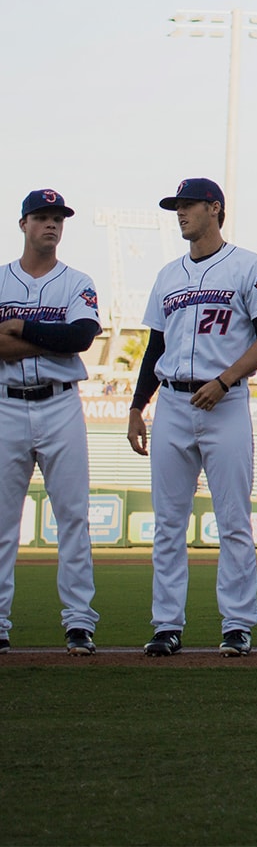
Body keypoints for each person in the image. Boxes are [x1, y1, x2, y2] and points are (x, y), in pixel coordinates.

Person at [128, 178, 257, 658]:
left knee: (233, 519)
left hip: (225, 404)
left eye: (188, 205)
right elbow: (157, 346)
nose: (180, 213)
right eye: (177, 207)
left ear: (215, 209)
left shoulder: (248, 265)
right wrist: (137, 405)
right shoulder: (167, 275)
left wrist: (227, 380)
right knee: (168, 523)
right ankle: (167, 624)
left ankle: (237, 624)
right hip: (172, 402)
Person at [0, 190, 101, 656]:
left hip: (60, 405)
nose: (51, 225)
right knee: (2, 522)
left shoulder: (77, 281)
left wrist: (19, 330)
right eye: (42, 217)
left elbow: (80, 336)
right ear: (23, 224)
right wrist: (47, 338)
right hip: (6, 406)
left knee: (73, 516)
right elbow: (60, 338)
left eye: (58, 218)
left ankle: (79, 622)